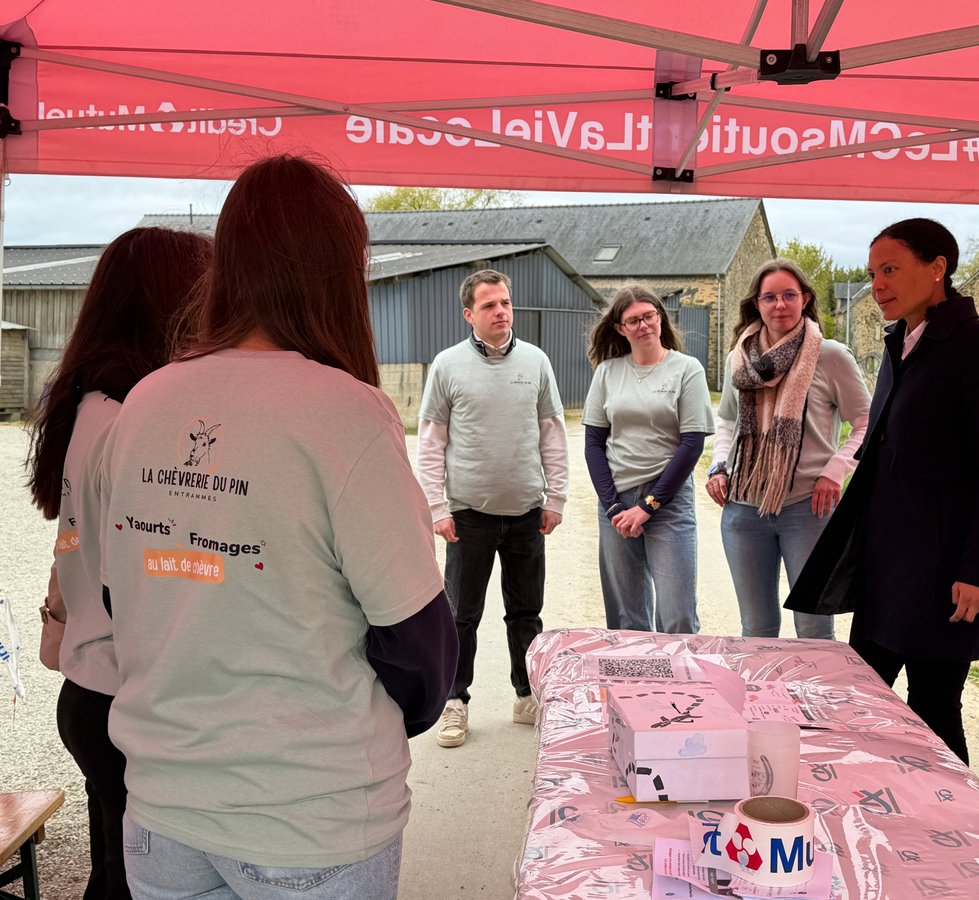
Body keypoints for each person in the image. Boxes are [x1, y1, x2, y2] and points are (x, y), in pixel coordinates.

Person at [99, 155, 456, 899]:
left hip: (164, 808)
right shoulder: (345, 412)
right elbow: (419, 641)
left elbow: (121, 597)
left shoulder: (143, 404)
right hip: (309, 815)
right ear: (338, 273)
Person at [785, 218, 979, 765]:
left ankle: (955, 826)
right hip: (888, 565)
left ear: (937, 268)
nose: (878, 285)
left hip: (944, 570)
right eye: (872, 273)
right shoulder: (899, 344)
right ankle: (874, 809)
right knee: (861, 698)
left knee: (935, 709)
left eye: (891, 269)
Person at [25, 226, 212, 900]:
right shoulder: (134, 412)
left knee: (116, 873)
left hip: (95, 688)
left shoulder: (90, 398)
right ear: (171, 303)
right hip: (126, 696)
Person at [417, 268, 568, 749]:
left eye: (505, 302)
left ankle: (526, 695)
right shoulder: (447, 366)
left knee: (526, 612)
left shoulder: (536, 362)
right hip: (467, 516)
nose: (501, 311)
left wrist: (556, 497)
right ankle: (454, 702)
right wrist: (437, 507)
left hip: (526, 512)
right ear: (469, 314)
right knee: (461, 614)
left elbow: (552, 433)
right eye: (489, 305)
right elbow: (430, 442)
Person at [706, 259, 871, 640]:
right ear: (757, 304)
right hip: (743, 508)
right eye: (770, 297)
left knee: (813, 625)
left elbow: (867, 424)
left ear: (805, 299)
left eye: (789, 295)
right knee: (757, 626)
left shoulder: (830, 356)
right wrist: (718, 466)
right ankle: (764, 701)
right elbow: (727, 420)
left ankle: (813, 700)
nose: (780, 304)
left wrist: (836, 469)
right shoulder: (740, 358)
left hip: (807, 508)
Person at [583, 283, 713, 634]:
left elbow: (692, 444)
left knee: (678, 615)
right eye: (633, 320)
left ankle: (680, 689)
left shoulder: (687, 370)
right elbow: (594, 443)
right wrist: (612, 507)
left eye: (649, 316)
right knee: (627, 618)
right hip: (616, 502)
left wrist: (650, 505)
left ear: (661, 318)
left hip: (667, 501)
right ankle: (634, 688)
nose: (643, 325)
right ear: (620, 329)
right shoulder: (608, 372)